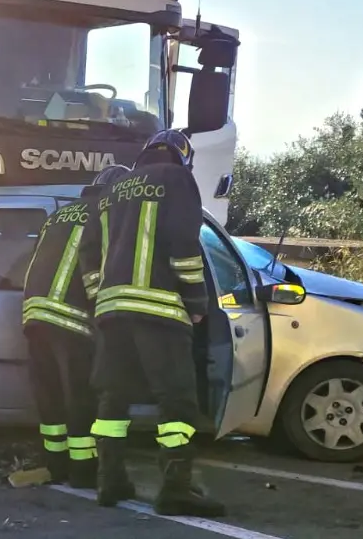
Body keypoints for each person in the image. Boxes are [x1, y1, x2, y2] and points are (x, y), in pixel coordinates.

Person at [89, 129, 225, 517]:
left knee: (112, 398)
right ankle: (176, 488)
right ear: (182, 157)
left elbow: (95, 251)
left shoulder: (114, 188)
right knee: (178, 401)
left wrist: (104, 300)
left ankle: (109, 481)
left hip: (111, 311)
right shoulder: (176, 179)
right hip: (159, 308)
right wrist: (197, 301)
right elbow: (184, 244)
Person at [19, 164, 129, 488]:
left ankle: (57, 464)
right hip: (71, 317)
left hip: (35, 314)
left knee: (50, 396)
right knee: (80, 396)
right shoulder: (106, 215)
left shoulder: (59, 215)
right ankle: (83, 471)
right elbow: (100, 267)